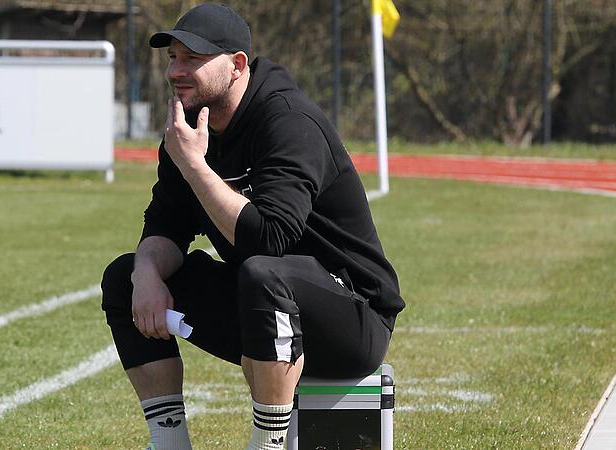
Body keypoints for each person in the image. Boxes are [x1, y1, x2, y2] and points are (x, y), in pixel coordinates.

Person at [101, 3, 404, 449]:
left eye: (193, 59)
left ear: (237, 64)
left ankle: (267, 444)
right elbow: (164, 226)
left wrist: (195, 167)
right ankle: (169, 443)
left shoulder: (286, 121)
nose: (176, 72)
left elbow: (271, 238)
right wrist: (145, 272)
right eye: (173, 58)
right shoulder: (187, 129)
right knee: (124, 278)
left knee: (263, 272)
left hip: (352, 317)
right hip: (264, 309)